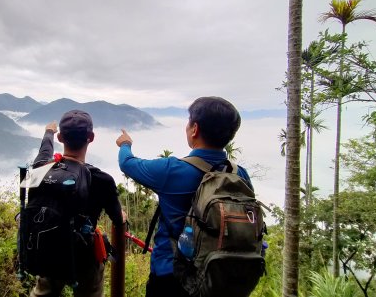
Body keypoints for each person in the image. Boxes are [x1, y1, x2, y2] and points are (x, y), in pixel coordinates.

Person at [115, 96, 252, 297]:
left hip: (171, 275)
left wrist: (125, 144)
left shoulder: (172, 170)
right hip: (220, 276)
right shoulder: (239, 174)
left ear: (194, 129)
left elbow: (127, 163)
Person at [30, 110, 124, 297]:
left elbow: (44, 152)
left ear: (61, 137)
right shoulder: (102, 180)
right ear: (91, 137)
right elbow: (118, 219)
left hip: (48, 251)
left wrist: (48, 132)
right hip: (84, 257)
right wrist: (122, 216)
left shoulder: (42, 169)